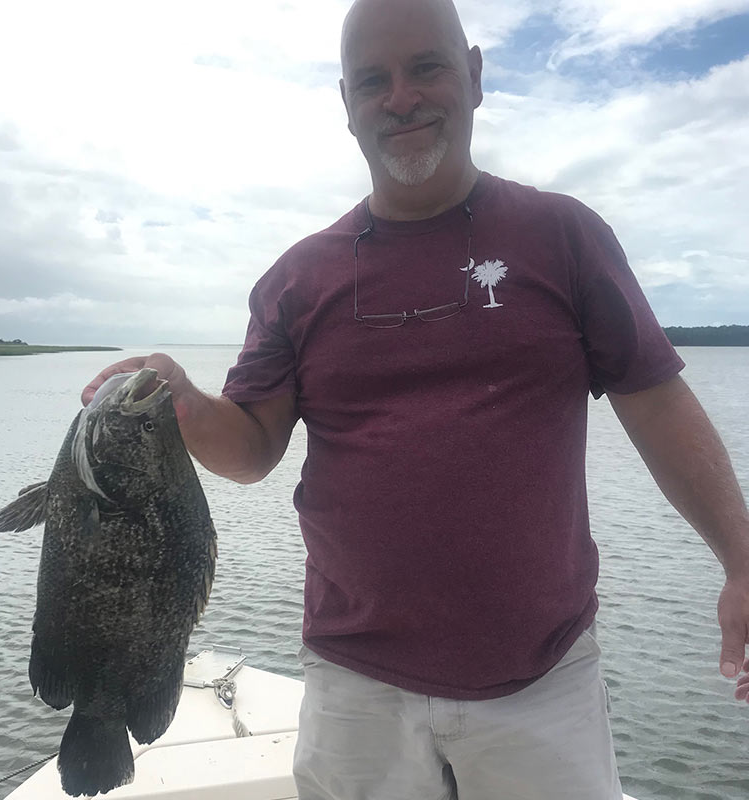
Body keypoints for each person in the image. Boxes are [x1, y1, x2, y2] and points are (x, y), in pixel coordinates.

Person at [83, 0, 749, 797]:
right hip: (353, 679)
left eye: (425, 67)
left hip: (541, 677)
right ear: (347, 105)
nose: (400, 97)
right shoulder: (297, 280)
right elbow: (252, 449)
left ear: (473, 75)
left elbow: (658, 404)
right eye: (373, 80)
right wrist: (185, 400)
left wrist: (742, 562)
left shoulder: (562, 236)